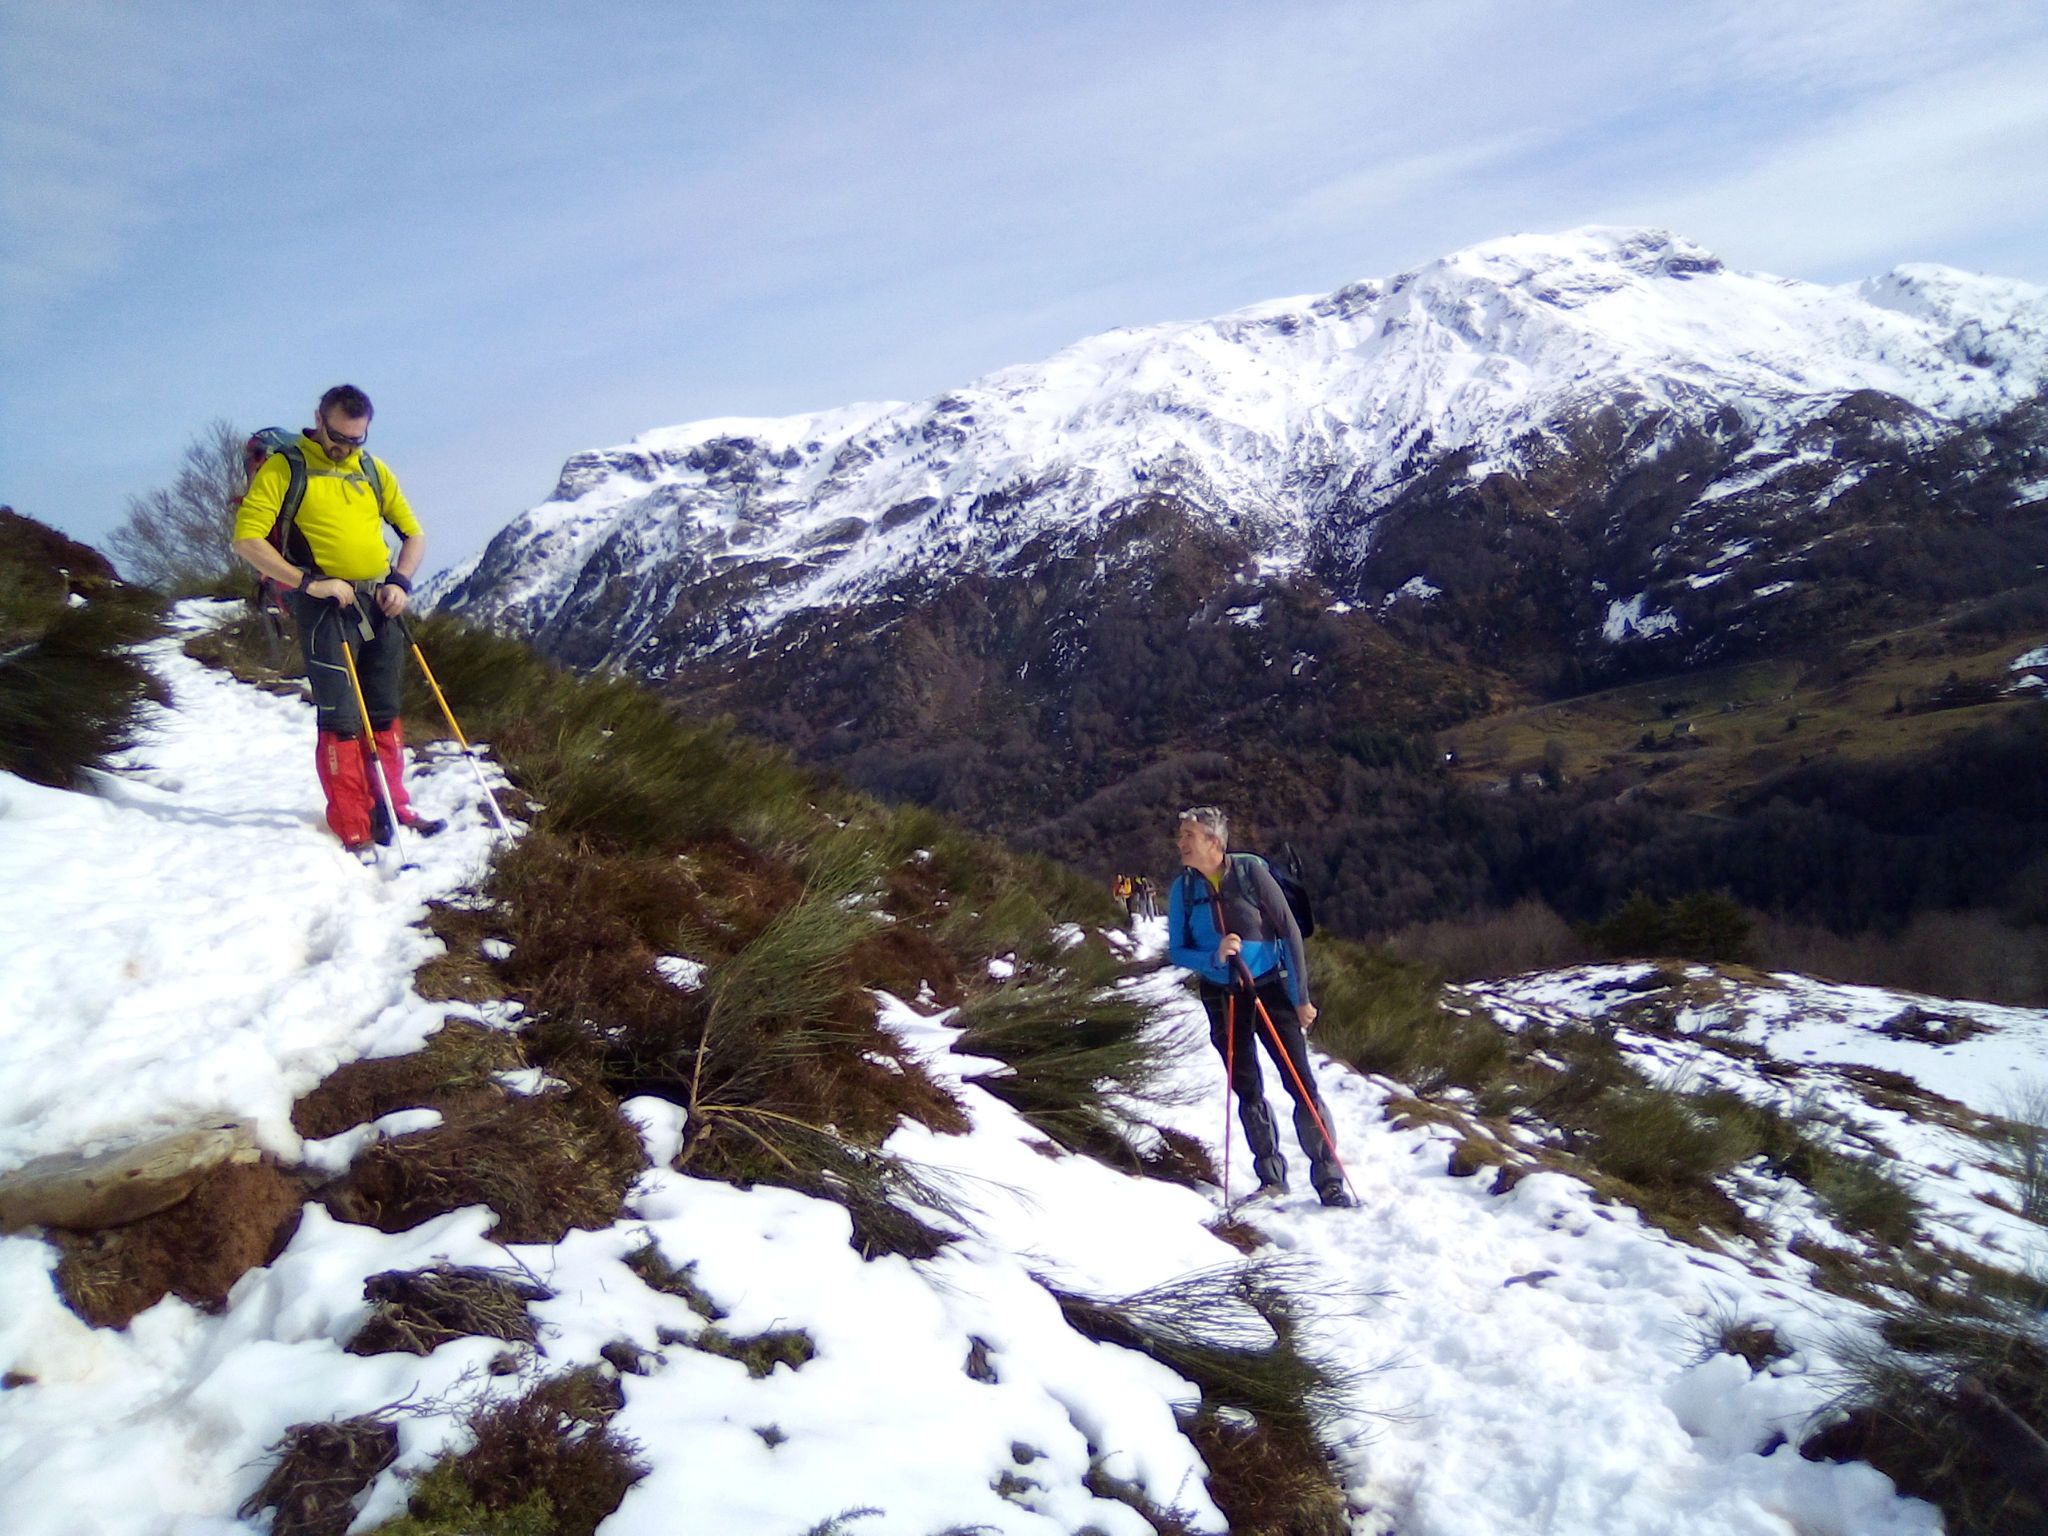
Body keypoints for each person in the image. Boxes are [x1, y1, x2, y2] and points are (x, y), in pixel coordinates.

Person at [229, 385, 438, 854]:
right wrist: (308, 583)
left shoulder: (372, 469)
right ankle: (353, 824)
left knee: (383, 711)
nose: (345, 448)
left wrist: (400, 581)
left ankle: (392, 808)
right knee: (342, 718)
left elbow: (414, 534)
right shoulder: (287, 467)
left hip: (379, 603)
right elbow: (247, 541)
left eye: (356, 439)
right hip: (325, 607)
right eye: (338, 437)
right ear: (318, 419)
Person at [1167, 805, 1351, 1207]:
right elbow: (1177, 950)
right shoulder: (1182, 889)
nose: (1180, 843)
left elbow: (1289, 932)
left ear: (1213, 842)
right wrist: (1214, 956)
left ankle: (1329, 1179)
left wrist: (1301, 998)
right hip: (1221, 994)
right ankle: (1271, 1178)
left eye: (1188, 836)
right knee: (1247, 1085)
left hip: (1268, 988)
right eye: (1181, 835)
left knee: (1300, 1082)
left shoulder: (1251, 872)